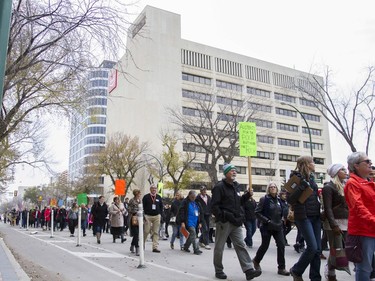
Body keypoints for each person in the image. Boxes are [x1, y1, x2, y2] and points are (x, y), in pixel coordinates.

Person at [211, 163, 261, 280]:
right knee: (219, 247)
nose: (234, 172)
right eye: (231, 170)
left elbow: (239, 203)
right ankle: (219, 270)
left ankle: (248, 270)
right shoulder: (219, 187)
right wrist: (223, 217)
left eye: (235, 170)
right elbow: (214, 206)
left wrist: (247, 195)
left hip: (236, 222)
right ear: (226, 173)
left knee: (240, 245)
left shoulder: (236, 186)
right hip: (224, 222)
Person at [287, 155, 321, 281]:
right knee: (312, 247)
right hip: (303, 216)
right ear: (307, 164)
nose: (314, 163)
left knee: (317, 250)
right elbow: (289, 199)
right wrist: (301, 186)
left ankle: (316, 277)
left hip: (316, 217)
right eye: (312, 161)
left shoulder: (312, 178)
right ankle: (296, 270)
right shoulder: (295, 178)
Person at [344, 152, 375, 281]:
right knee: (364, 267)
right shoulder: (352, 183)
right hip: (364, 231)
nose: (370, 164)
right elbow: (358, 207)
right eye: (367, 162)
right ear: (356, 166)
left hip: (371, 228)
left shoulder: (367, 181)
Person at [252, 182, 290, 276]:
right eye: (271, 187)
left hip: (278, 226)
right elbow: (257, 212)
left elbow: (282, 212)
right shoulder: (264, 199)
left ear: (277, 189)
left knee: (281, 245)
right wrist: (267, 221)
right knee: (265, 245)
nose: (273, 188)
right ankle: (256, 260)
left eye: (274, 187)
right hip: (267, 226)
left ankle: (281, 268)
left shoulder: (279, 200)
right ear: (268, 189)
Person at [322, 163, 349, 281]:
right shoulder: (329, 187)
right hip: (333, 223)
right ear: (336, 172)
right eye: (342, 169)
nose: (345, 171)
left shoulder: (345, 185)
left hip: (346, 221)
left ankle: (332, 268)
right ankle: (330, 272)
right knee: (335, 248)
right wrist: (334, 225)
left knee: (344, 248)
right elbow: (327, 208)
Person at [178, 190, 203, 255]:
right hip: (188, 221)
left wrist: (200, 222)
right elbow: (181, 212)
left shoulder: (197, 202)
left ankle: (186, 246)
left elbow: (201, 213)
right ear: (189, 196)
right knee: (193, 233)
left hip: (196, 221)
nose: (193, 198)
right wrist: (182, 221)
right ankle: (196, 249)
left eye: (194, 197)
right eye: (192, 197)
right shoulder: (185, 202)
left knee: (191, 235)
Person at [143, 184, 163, 253]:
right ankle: (142, 244)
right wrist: (144, 215)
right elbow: (143, 206)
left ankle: (155, 247)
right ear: (150, 189)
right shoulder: (146, 197)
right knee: (146, 231)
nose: (154, 189)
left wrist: (160, 215)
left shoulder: (159, 197)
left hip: (156, 216)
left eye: (155, 188)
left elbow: (161, 207)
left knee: (156, 232)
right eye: (152, 188)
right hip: (148, 216)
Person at [195, 185, 212, 250]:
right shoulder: (198, 198)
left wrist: (211, 212)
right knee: (205, 229)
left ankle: (200, 240)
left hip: (208, 214)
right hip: (201, 215)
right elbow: (196, 207)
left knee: (207, 228)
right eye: (203, 190)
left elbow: (210, 205)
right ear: (201, 191)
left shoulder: (208, 197)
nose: (204, 191)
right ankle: (206, 243)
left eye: (205, 190)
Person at [128, 189, 142, 255]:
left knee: (138, 234)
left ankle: (132, 245)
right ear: (136, 194)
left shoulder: (140, 200)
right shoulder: (132, 200)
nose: (140, 194)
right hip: (133, 218)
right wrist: (135, 212)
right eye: (139, 193)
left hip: (140, 218)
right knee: (136, 233)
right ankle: (137, 248)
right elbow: (129, 209)